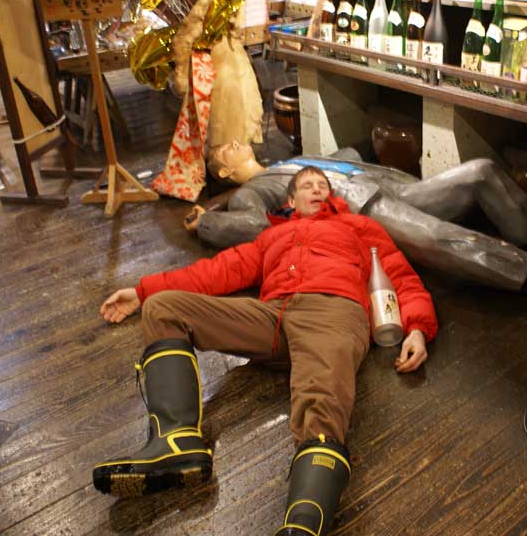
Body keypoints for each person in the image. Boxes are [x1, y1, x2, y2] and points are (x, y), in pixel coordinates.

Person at [92, 166, 438, 536]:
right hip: (274, 317)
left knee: (320, 403)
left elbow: (400, 276)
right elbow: (217, 271)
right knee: (164, 309)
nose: (317, 190)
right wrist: (143, 291)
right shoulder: (273, 235)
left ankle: (303, 526)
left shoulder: (358, 226)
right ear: (291, 200)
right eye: (308, 185)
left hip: (333, 309)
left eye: (323, 186)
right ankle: (174, 444)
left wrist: (417, 326)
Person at [186, 152, 527, 297]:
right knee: (433, 236)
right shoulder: (252, 190)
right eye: (226, 149)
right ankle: (525, 271)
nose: (235, 143)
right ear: (224, 170)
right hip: (362, 208)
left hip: (395, 186)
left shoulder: (295, 157)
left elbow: (350, 155)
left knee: (481, 171)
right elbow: (252, 225)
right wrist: (208, 220)